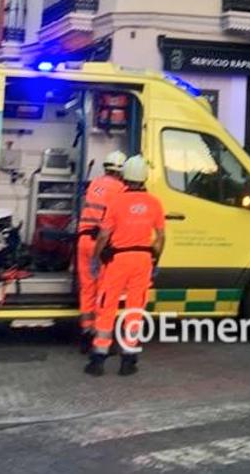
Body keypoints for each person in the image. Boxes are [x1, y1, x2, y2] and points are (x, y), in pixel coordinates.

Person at [86, 155, 165, 377]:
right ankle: (128, 361)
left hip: (118, 261)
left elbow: (103, 235)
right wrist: (156, 260)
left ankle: (98, 360)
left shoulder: (116, 202)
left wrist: (96, 257)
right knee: (135, 309)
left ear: (125, 175)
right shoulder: (155, 203)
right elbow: (160, 237)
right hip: (143, 261)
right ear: (144, 177)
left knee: (107, 306)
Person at [76, 150, 127, 352]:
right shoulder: (120, 189)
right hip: (101, 245)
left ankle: (85, 333)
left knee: (87, 289)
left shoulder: (95, 184)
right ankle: (100, 337)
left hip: (83, 242)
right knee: (104, 291)